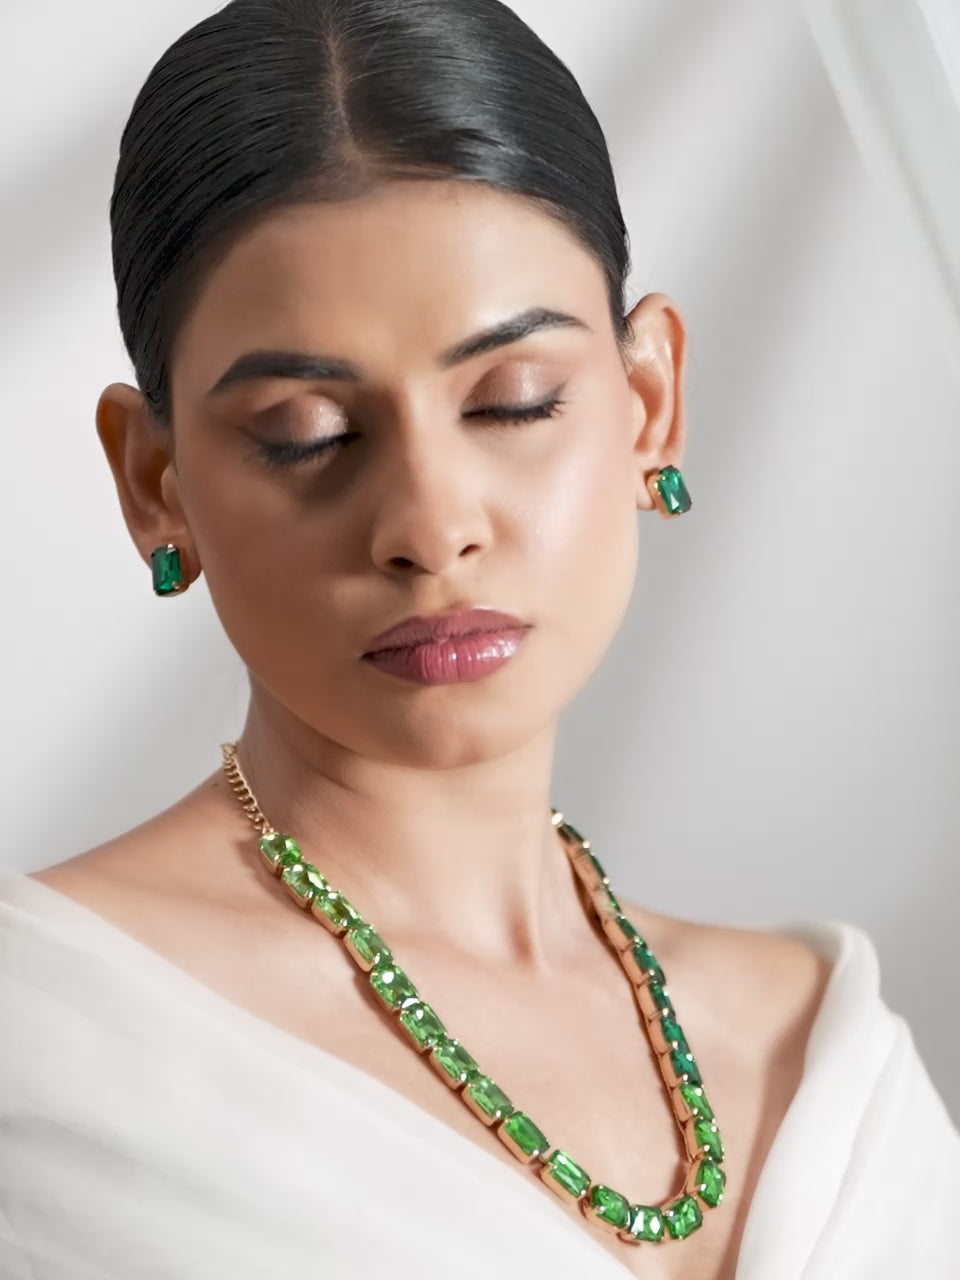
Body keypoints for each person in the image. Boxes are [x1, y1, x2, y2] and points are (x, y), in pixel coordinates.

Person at [1, 1, 958, 1277]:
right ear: (153, 483)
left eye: (513, 402)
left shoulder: (824, 1043)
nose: (430, 525)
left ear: (650, 402)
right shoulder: (43, 1041)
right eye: (305, 433)